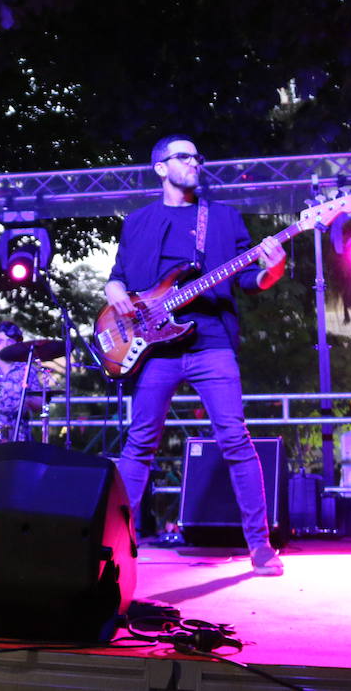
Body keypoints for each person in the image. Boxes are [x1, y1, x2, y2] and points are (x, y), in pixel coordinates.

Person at [104, 135, 288, 576]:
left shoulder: (222, 219)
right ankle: (116, 541)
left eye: (196, 157)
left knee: (235, 439)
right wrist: (114, 292)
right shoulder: (138, 221)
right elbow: (118, 278)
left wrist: (274, 269)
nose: (194, 163)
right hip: (153, 348)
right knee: (139, 445)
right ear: (160, 168)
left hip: (211, 343)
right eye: (183, 157)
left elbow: (248, 280)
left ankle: (260, 546)